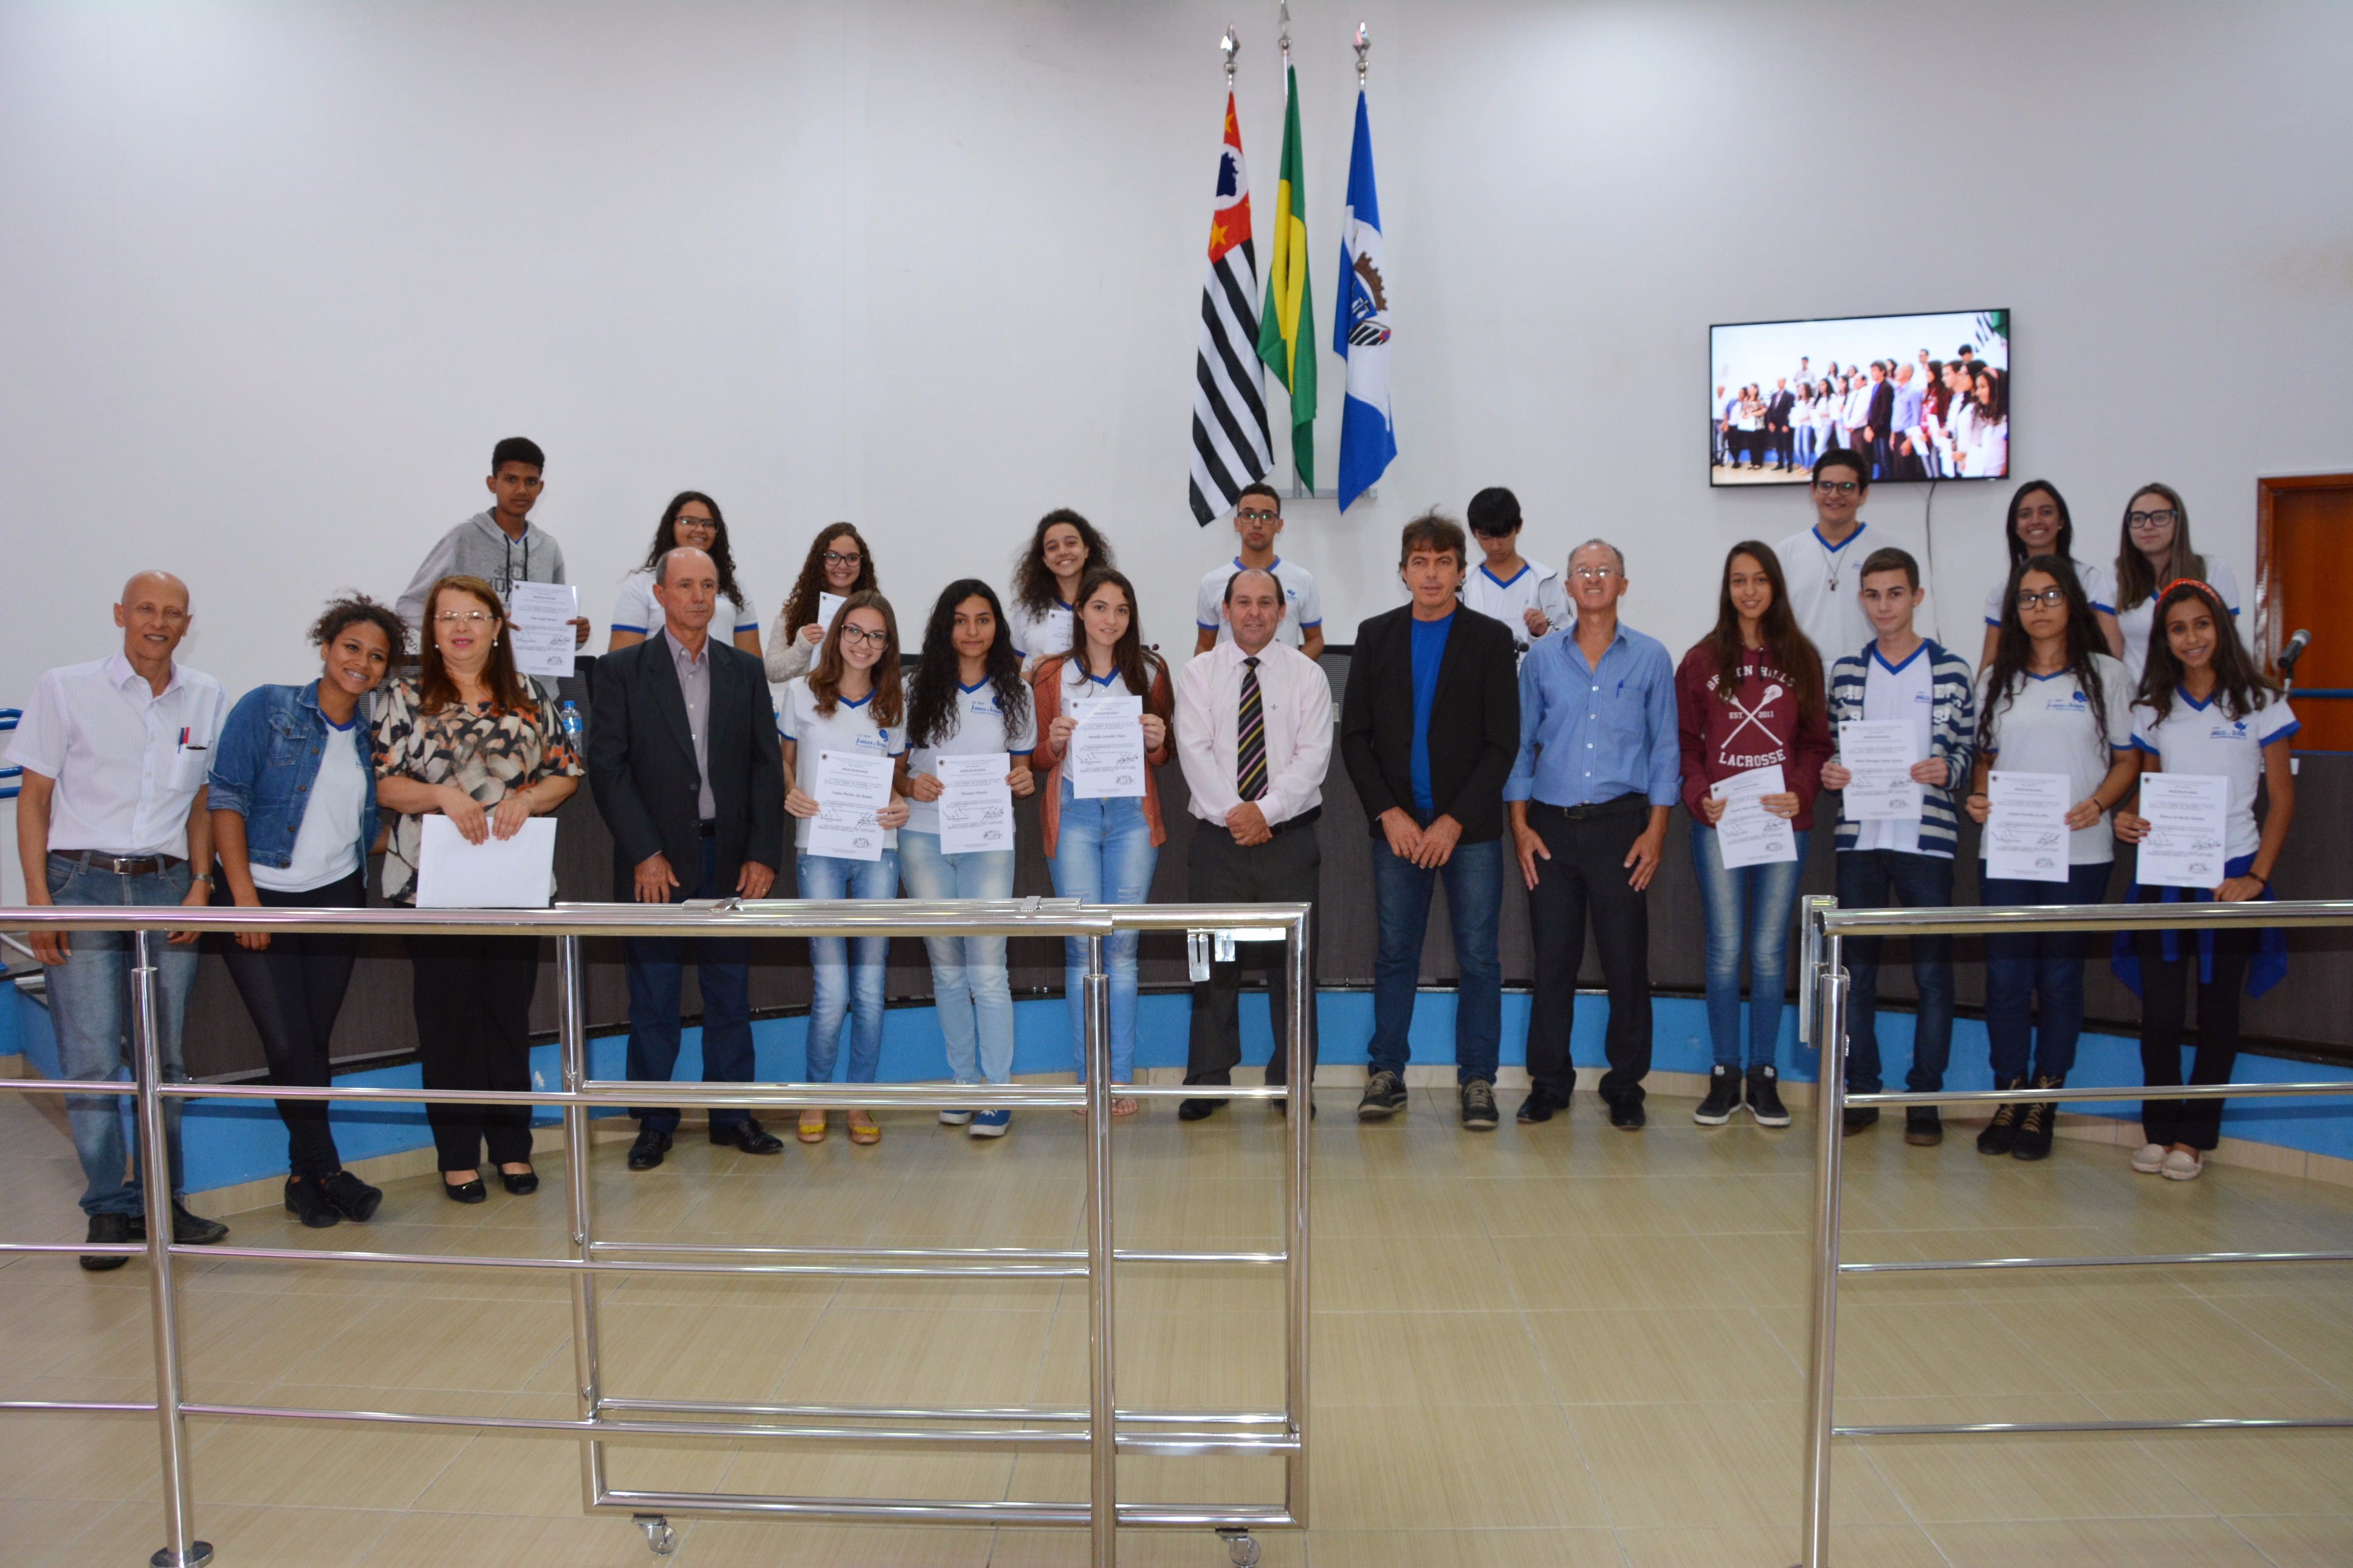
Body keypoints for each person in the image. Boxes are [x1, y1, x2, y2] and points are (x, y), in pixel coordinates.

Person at [7, 571, 232, 1268]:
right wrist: (38, 902)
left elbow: (201, 802)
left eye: (172, 612)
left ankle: (163, 1201)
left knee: (166, 1057)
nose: (157, 622)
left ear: (187, 623)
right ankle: (108, 1208)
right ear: (120, 614)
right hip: (81, 885)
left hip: (168, 887)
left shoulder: (207, 695)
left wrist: (201, 885)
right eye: (145, 609)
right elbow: (33, 800)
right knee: (94, 1058)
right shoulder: (64, 687)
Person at [374, 574, 582, 1201]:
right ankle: (458, 1156)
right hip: (430, 887)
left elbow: (566, 774)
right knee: (449, 1024)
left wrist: (528, 798)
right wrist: (440, 794)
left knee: (506, 1020)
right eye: (447, 617)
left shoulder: (529, 693)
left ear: (497, 628)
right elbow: (385, 784)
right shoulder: (403, 693)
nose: (461, 627)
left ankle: (512, 1149)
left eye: (474, 616)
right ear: (431, 631)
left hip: (513, 885)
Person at [208, 594, 405, 1228]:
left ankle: (304, 1179)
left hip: (336, 899)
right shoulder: (266, 706)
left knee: (314, 1042)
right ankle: (331, 1170)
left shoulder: (377, 736)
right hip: (257, 895)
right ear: (325, 647)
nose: (362, 663)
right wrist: (243, 900)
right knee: (287, 1041)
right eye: (352, 647)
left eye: (377, 657)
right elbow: (225, 799)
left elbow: (363, 830)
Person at [588, 547, 788, 1173]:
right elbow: (608, 769)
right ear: (660, 595)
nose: (698, 596)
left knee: (729, 994)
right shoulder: (620, 671)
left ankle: (732, 1116)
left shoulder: (744, 671)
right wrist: (644, 851)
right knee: (654, 999)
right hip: (655, 865)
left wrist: (762, 853)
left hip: (729, 858)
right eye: (685, 585)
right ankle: (654, 1123)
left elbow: (765, 767)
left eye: (708, 585)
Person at [2114, 580, 2296, 1182]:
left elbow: (2282, 798)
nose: (2190, 638)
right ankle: (2158, 1129)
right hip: (2166, 877)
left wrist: (2256, 876)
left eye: (2200, 624)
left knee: (2218, 1014)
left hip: (2231, 876)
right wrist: (2130, 818)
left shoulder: (2260, 701)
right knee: (2161, 1015)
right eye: (2177, 628)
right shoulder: (2151, 708)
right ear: (2164, 639)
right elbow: (2150, 791)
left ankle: (2193, 1139)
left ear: (2220, 627)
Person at [1341, 515, 1518, 1127]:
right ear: (1403, 571)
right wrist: (1388, 813)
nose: (1432, 573)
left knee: (1479, 956)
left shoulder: (1491, 639)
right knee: (1395, 953)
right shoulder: (1375, 635)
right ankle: (1386, 1072)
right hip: (1397, 830)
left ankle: (1478, 1080)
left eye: (1443, 561)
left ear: (1461, 572)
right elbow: (1355, 737)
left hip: (1467, 832)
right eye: (1419, 561)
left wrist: (1452, 822)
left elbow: (1502, 743)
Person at [1961, 556, 2138, 1160]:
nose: (2038, 607)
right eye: (2027, 597)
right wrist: (1978, 796)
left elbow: (2128, 760)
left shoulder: (2107, 675)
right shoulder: (1995, 679)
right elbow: (1983, 759)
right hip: (2007, 851)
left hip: (2080, 851)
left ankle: (2045, 1098)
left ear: (2073, 603)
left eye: (2051, 595)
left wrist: (2100, 803)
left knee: (2059, 976)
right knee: (2006, 977)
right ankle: (2010, 1091)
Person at [1506, 539, 1678, 1130]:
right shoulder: (1541, 659)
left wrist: (1655, 833)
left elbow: (1666, 750)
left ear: (1622, 584)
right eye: (1583, 570)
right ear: (1569, 586)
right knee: (1552, 962)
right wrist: (1520, 827)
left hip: (1622, 829)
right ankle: (1548, 1082)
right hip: (1550, 830)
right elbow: (1521, 744)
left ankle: (1625, 1085)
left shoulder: (1651, 657)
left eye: (1605, 570)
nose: (1594, 578)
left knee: (1625, 963)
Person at [1820, 548, 1976, 1145]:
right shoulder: (1846, 672)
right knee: (1854, 974)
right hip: (1860, 840)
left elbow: (1966, 753)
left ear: (1916, 596)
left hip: (1926, 843)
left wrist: (1948, 769)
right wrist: (1833, 772)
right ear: (1861, 599)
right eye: (1873, 594)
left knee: (1932, 976)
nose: (1883, 605)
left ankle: (1923, 1099)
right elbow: (1835, 749)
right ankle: (1861, 1089)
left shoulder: (1951, 670)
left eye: (1894, 593)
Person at [1675, 544, 1831, 1127]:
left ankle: (1763, 1074)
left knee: (1767, 951)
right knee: (1724, 949)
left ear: (1775, 587)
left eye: (1760, 580)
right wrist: (1700, 795)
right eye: (1738, 580)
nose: (1749, 591)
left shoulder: (1802, 658)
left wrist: (1801, 791)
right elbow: (1684, 743)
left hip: (1781, 821)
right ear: (1727, 588)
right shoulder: (1700, 660)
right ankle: (1724, 1072)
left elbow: (1816, 743)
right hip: (1721, 822)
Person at [1175, 567, 1333, 1121]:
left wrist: (1263, 813)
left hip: (1288, 842)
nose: (1254, 612)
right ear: (1225, 609)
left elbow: (1313, 758)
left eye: (1266, 602)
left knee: (1292, 967)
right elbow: (1194, 751)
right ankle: (1208, 1079)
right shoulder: (1197, 673)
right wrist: (1238, 815)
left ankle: (1291, 1081)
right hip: (1218, 843)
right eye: (1243, 601)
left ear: (1283, 612)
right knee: (1212, 962)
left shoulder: (1307, 675)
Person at [1031, 567, 1174, 1114]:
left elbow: (1163, 756)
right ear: (1080, 612)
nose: (1110, 619)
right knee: (1081, 947)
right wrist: (1053, 743)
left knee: (1123, 947)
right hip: (1073, 814)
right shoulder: (1052, 675)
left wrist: (1157, 740)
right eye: (1099, 607)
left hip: (1133, 817)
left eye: (1121, 609)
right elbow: (1037, 758)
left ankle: (1119, 1079)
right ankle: (1087, 1079)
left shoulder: (1150, 671)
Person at [899, 580, 1037, 1138]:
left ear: (996, 627)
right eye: (960, 620)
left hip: (987, 839)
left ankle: (998, 1090)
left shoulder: (1017, 691)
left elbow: (1023, 768)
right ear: (944, 627)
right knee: (947, 967)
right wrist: (910, 785)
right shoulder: (913, 688)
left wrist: (1023, 780)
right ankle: (963, 1083)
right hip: (923, 838)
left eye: (983, 619)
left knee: (988, 966)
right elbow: (895, 769)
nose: (972, 631)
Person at [780, 589, 911, 1145]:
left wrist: (902, 804)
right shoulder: (800, 693)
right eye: (855, 631)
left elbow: (898, 778)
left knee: (870, 987)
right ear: (837, 634)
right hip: (819, 850)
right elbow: (784, 762)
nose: (864, 643)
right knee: (833, 988)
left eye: (877, 635)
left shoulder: (893, 703)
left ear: (888, 645)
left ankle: (859, 1100)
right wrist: (789, 790)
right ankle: (817, 1095)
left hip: (880, 849)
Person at [394, 437, 589, 648]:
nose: (522, 490)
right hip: (475, 667)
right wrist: (466, 628)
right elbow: (409, 607)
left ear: (540, 488)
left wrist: (575, 634)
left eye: (531, 482)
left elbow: (557, 623)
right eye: (511, 480)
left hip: (533, 669)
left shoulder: (548, 548)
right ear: (492, 483)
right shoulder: (464, 538)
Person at [1978, 481, 2122, 668]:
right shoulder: (2001, 591)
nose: (2036, 520)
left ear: (2061, 521)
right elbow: (1990, 660)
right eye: (2025, 515)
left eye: (2046, 512)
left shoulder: (2088, 579)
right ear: (2015, 526)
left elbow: (2106, 649)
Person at [2112, 483, 2241, 684]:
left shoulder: (2214, 569)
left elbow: (2223, 643)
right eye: (2138, 519)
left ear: (2178, 522)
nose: (2148, 526)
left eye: (2160, 517)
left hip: (2198, 691)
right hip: (2136, 694)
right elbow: (2112, 656)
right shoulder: (2113, 574)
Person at [1773, 450, 1881, 688]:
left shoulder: (1885, 549)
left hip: (1869, 680)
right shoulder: (1787, 552)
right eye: (1826, 486)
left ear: (1863, 494)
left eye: (1846, 487)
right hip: (1802, 682)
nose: (1834, 495)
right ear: (1813, 491)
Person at [607, 493, 762, 658]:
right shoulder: (642, 583)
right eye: (689, 521)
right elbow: (622, 660)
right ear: (671, 526)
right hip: (659, 674)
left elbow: (751, 659)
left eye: (708, 524)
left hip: (722, 674)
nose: (700, 529)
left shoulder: (733, 584)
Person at [1193, 483, 1325, 660]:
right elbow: (1204, 646)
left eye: (1266, 516)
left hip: (1284, 677)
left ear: (1279, 525)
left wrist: (1291, 671)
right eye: (1248, 515)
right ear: (1237, 523)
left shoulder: (1302, 580)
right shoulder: (1211, 583)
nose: (1257, 523)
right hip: (1230, 678)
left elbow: (1315, 640)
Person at [1460, 486, 1571, 660]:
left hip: (1532, 676)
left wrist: (1544, 630)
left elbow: (1570, 640)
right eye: (1486, 537)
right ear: (1474, 533)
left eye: (1503, 535)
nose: (1495, 546)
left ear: (1518, 527)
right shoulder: (1462, 585)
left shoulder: (1545, 581)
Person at [766, 522, 878, 683]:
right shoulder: (793, 614)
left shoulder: (874, 614)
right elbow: (772, 672)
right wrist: (801, 647)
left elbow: (885, 666)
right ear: (819, 561)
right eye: (832, 557)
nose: (842, 565)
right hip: (809, 699)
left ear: (862, 563)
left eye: (852, 558)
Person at [1010, 508, 1113, 673]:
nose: (1063, 552)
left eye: (1071, 543)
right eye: (1052, 547)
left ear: (1087, 549)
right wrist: (1035, 676)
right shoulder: (1026, 609)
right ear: (1045, 559)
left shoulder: (1111, 603)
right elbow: (1010, 676)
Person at [1764, 377, 1798, 472]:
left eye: (1781, 381)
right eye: (1778, 381)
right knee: (1778, 445)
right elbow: (1770, 410)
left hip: (1784, 425)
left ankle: (1790, 465)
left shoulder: (1790, 395)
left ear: (1785, 382)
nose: (1779, 383)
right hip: (1775, 425)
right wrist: (1770, 422)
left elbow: (1790, 410)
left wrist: (1786, 424)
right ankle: (1780, 463)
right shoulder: (1774, 395)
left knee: (1788, 445)